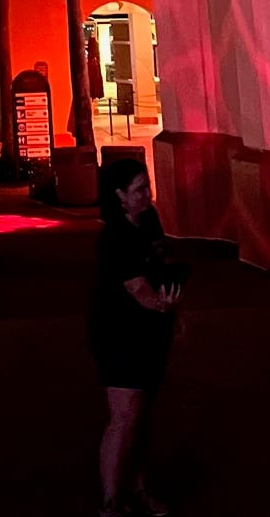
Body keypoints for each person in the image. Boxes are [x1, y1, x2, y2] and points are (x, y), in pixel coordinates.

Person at [89, 157, 185, 516]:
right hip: (119, 333)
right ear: (118, 195)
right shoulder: (115, 237)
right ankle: (112, 501)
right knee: (124, 416)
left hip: (150, 331)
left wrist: (171, 310)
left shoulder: (148, 221)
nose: (147, 194)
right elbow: (137, 288)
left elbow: (161, 264)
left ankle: (138, 486)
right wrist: (163, 305)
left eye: (148, 186)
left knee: (142, 415)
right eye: (139, 189)